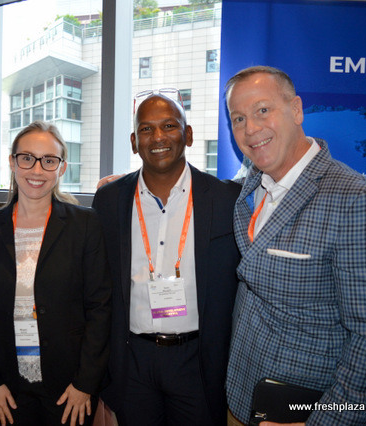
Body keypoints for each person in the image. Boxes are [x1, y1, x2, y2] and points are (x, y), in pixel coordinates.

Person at [224, 65, 366, 425]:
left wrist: (325, 422)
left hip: (299, 410)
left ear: (297, 110)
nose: (250, 128)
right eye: (238, 119)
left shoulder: (356, 200)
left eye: (262, 110)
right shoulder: (250, 187)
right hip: (239, 395)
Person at [93, 92, 241, 425]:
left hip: (199, 362)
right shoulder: (109, 201)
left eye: (169, 126)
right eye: (146, 129)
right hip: (132, 361)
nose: (158, 137)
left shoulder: (226, 199)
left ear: (188, 135)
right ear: (134, 142)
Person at [0, 121, 111, 426]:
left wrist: (85, 383)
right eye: (27, 158)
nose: (36, 170)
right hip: (9, 384)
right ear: (12, 162)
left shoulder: (85, 225)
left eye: (48, 160)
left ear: (62, 168)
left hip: (69, 386)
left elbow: (100, 309)